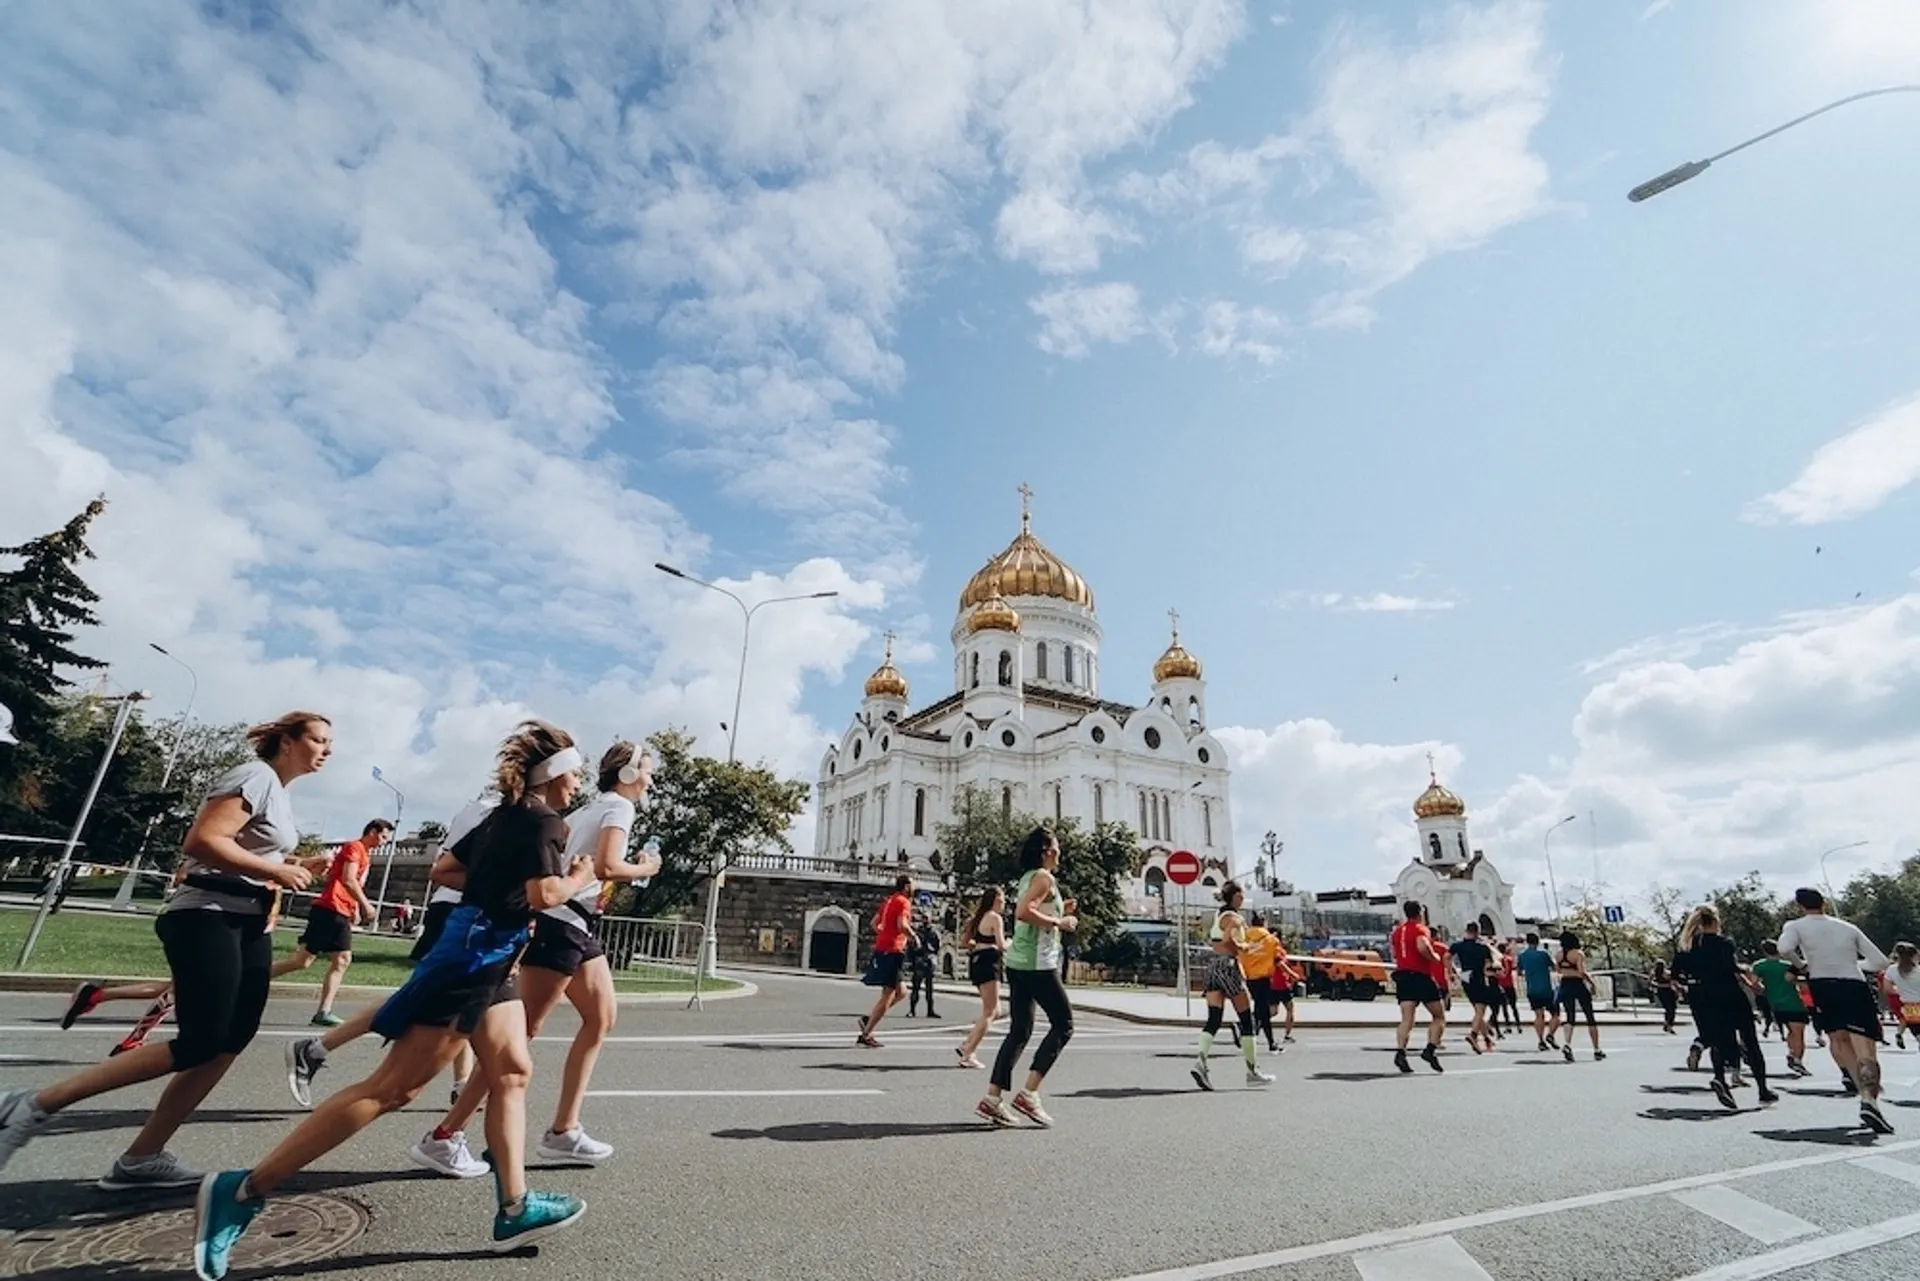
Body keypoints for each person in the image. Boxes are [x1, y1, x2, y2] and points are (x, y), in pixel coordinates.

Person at [189, 719, 593, 1279]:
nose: (579, 783)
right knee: (393, 1089)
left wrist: (497, 875)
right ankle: (245, 1188)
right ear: (552, 774)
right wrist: (575, 878)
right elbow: (543, 893)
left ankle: (515, 1207)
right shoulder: (547, 822)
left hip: (488, 952)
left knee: (512, 1070)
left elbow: (447, 869)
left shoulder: (505, 817)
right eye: (575, 773)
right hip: (474, 958)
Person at [0, 711, 331, 1191]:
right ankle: (32, 1104)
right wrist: (276, 873)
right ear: (286, 742)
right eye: (318, 740)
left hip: (246, 921)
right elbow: (203, 841)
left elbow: (248, 851)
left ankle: (142, 1158)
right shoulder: (254, 776)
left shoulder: (278, 792)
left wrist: (294, 864)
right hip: (206, 916)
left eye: (329, 743)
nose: (327, 750)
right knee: (201, 1040)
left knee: (231, 1041)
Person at [416, 739, 660, 1171]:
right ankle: (446, 1134)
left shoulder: (587, 807)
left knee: (600, 1017)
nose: (650, 778)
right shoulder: (620, 808)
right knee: (518, 1036)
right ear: (626, 774)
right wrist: (645, 868)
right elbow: (606, 866)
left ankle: (564, 1130)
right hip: (563, 923)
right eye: (647, 770)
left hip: (576, 923)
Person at [283, 792, 497, 1137]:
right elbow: (463, 867)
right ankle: (317, 1050)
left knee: (473, 1004)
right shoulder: (501, 811)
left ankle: (459, 1088)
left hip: (464, 910)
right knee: (443, 1003)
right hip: (466, 910)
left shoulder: (483, 807)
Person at [977, 827, 1077, 1127]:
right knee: (1064, 1024)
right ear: (1046, 850)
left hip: (1019, 961)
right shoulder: (1044, 878)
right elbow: (1023, 912)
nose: (1059, 853)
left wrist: (1060, 910)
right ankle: (1029, 1093)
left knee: (1020, 1030)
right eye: (1056, 847)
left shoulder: (1028, 877)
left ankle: (993, 1099)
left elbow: (1032, 908)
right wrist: (1060, 921)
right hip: (1037, 963)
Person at [1777, 887, 1892, 1134]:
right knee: (1865, 1047)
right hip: (1853, 983)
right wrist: (1853, 962)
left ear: (1799, 905)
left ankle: (1862, 1093)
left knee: (1839, 1040)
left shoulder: (1795, 926)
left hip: (1822, 985)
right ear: (1825, 903)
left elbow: (1784, 948)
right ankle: (1869, 1100)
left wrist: (1802, 965)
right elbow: (1880, 961)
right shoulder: (1847, 927)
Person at [274, 819, 391, 1027]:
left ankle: (324, 1011)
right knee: (305, 960)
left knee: (335, 960)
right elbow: (348, 879)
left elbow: (351, 882)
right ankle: (253, 980)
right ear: (372, 831)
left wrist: (353, 908)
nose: (384, 842)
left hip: (339, 910)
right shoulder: (354, 848)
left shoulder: (364, 854)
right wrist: (365, 905)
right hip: (331, 908)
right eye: (383, 836)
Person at [1674, 905, 1776, 1110]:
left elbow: (1676, 973)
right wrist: (1746, 974)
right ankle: (1763, 1090)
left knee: (1719, 1039)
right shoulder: (1724, 943)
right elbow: (1730, 968)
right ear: (1715, 922)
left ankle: (1720, 1077)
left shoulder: (1687, 946)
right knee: (1749, 1039)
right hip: (1728, 993)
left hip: (1701, 997)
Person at [1190, 882, 1273, 1091]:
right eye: (1241, 895)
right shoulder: (1235, 919)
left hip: (1212, 966)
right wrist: (1246, 947)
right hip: (1228, 966)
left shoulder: (1219, 916)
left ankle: (1200, 1062)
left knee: (1214, 1018)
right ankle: (1252, 1071)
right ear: (1235, 897)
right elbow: (1231, 941)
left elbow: (1216, 940)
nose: (1243, 898)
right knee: (1247, 1020)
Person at [857, 874, 915, 1047]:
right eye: (913, 885)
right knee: (888, 994)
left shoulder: (888, 901)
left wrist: (884, 934)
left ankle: (870, 1018)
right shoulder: (904, 902)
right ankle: (866, 1034)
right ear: (906, 887)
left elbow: (875, 924)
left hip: (884, 948)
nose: (915, 888)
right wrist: (913, 937)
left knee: (902, 992)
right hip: (893, 950)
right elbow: (902, 925)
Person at [1390, 901, 1446, 1074]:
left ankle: (1400, 1051)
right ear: (1419, 913)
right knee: (1439, 1015)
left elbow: (1394, 954)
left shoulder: (1397, 932)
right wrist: (1434, 957)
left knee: (1407, 1018)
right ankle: (1430, 1049)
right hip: (1421, 976)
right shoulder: (1421, 929)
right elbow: (1422, 946)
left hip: (1403, 976)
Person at [956, 887, 1007, 1069]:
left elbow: (964, 942)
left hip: (977, 962)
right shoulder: (995, 918)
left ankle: (967, 1044)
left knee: (996, 1010)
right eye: (1002, 900)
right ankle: (969, 1052)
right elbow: (1001, 945)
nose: (1004, 903)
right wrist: (1009, 943)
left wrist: (979, 944)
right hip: (989, 963)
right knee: (990, 1011)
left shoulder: (977, 918)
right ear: (994, 900)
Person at [1750, 941, 1814, 1077]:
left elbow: (1754, 983)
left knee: (1790, 1030)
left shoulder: (1759, 966)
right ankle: (1797, 1059)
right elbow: (1801, 978)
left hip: (1775, 1003)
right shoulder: (1788, 965)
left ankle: (1792, 1052)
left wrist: (1763, 991)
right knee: (1798, 1033)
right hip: (1793, 1002)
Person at [1554, 931, 1605, 1063]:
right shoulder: (1578, 954)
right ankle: (1596, 1049)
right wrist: (1592, 983)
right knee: (1590, 1016)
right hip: (1577, 984)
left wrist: (1568, 971)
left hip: (1565, 984)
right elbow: (1581, 972)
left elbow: (1559, 971)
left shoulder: (1559, 955)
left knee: (1570, 1016)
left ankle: (1567, 1044)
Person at [1239, 911, 1284, 1054]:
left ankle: (1248, 1033)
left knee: (1259, 1009)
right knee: (1263, 1011)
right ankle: (1270, 1042)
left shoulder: (1244, 937)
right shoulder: (1271, 940)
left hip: (1249, 978)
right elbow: (1278, 959)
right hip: (1263, 979)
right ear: (1264, 923)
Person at [1449, 922, 1496, 1054]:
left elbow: (1447, 957)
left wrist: (1452, 972)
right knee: (1480, 1010)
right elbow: (1488, 966)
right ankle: (1473, 1035)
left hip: (1465, 975)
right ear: (1478, 932)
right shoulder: (1483, 947)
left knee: (1477, 1010)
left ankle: (1487, 1039)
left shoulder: (1458, 946)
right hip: (1478, 976)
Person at [1515, 931, 1557, 1051]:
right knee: (1555, 1015)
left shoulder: (1522, 955)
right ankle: (1550, 1035)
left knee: (1539, 1015)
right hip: (1546, 989)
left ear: (1527, 942)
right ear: (1537, 941)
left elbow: (1519, 972)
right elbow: (1554, 967)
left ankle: (1541, 1040)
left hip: (1532, 989)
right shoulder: (1544, 954)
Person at [1886, 943, 1920, 1052]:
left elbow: (1888, 989)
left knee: (1916, 1031)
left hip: (1908, 1005)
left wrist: (1901, 991)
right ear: (1914, 955)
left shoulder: (1892, 970)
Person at [906, 912, 940, 1018]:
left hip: (929, 961)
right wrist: (912, 961)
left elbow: (937, 948)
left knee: (929, 989)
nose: (925, 920)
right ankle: (912, 1010)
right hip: (919, 961)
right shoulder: (917, 933)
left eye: (927, 918)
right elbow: (911, 947)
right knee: (915, 987)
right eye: (924, 918)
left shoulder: (934, 933)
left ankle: (930, 1010)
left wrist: (933, 957)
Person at [1648, 960, 1680, 1034]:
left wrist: (1657, 985)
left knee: (1669, 1008)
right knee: (1671, 1009)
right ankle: (1669, 1025)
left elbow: (1649, 982)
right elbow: (1673, 982)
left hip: (1664, 991)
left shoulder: (1656, 973)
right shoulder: (1664, 973)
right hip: (1667, 991)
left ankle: (1667, 1023)